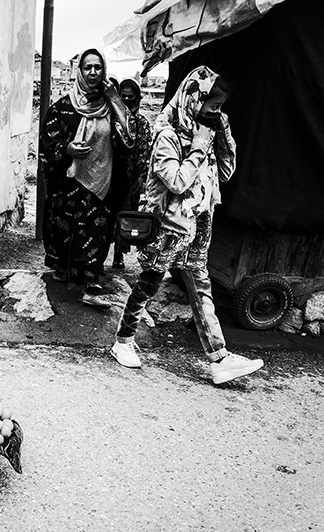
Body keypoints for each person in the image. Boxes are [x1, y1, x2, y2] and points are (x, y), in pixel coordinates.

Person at [109, 66, 264, 385]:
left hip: (197, 227)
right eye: (213, 106)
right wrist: (197, 148)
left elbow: (224, 172)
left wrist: (222, 134)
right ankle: (123, 341)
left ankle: (219, 357)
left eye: (221, 107)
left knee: (200, 286)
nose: (217, 112)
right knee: (149, 283)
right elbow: (177, 182)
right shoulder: (169, 135)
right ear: (194, 99)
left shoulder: (206, 133)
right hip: (168, 227)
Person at [40, 49, 133, 308]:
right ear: (79, 72)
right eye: (88, 67)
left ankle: (91, 280)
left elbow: (128, 139)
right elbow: (48, 142)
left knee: (95, 230)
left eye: (98, 67)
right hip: (68, 182)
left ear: (104, 71)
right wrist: (67, 149)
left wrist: (115, 99)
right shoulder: (64, 107)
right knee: (64, 227)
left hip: (101, 181)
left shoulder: (112, 109)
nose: (93, 72)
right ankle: (62, 268)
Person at [111, 78, 153, 270]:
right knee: (107, 215)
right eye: (123, 97)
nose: (127, 100)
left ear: (137, 99)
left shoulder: (142, 123)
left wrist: (142, 176)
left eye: (131, 97)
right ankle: (100, 256)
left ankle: (119, 254)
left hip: (131, 177)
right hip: (110, 174)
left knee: (125, 215)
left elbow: (145, 152)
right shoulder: (112, 119)